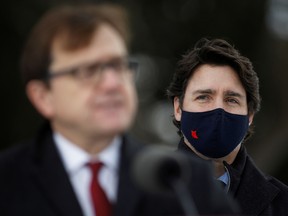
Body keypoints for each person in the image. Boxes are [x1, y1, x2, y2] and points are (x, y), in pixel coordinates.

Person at [0, 4, 238, 216]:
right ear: (43, 96)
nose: (113, 83)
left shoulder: (186, 180)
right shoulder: (8, 181)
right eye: (89, 70)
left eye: (118, 65)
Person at [167, 37, 288, 215]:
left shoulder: (283, 204)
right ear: (178, 108)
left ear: (250, 116)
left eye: (231, 100)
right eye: (203, 97)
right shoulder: (139, 193)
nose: (218, 109)